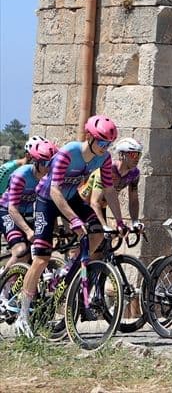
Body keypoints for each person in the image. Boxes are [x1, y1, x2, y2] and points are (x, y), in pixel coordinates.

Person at [14, 115, 126, 336]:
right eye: (102, 143)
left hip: (72, 198)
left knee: (97, 235)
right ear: (90, 137)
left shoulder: (103, 159)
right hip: (47, 200)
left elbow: (110, 191)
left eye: (108, 144)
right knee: (41, 258)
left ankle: (67, 271)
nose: (105, 148)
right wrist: (73, 219)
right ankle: (22, 315)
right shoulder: (68, 153)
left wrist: (120, 221)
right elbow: (55, 190)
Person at [1, 140, 58, 278]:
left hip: (26, 213)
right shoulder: (21, 176)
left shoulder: (49, 179)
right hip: (6, 210)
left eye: (51, 164)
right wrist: (28, 231)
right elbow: (12, 209)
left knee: (37, 252)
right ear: (36, 162)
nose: (47, 168)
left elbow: (50, 204)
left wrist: (54, 228)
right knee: (20, 249)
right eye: (44, 163)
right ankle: (3, 285)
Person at [81, 137, 144, 237]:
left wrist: (135, 222)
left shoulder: (134, 174)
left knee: (103, 247)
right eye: (133, 154)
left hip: (101, 207)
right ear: (122, 154)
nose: (137, 158)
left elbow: (133, 200)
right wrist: (104, 226)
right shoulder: (108, 170)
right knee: (94, 240)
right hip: (84, 206)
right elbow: (94, 202)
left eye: (139, 154)